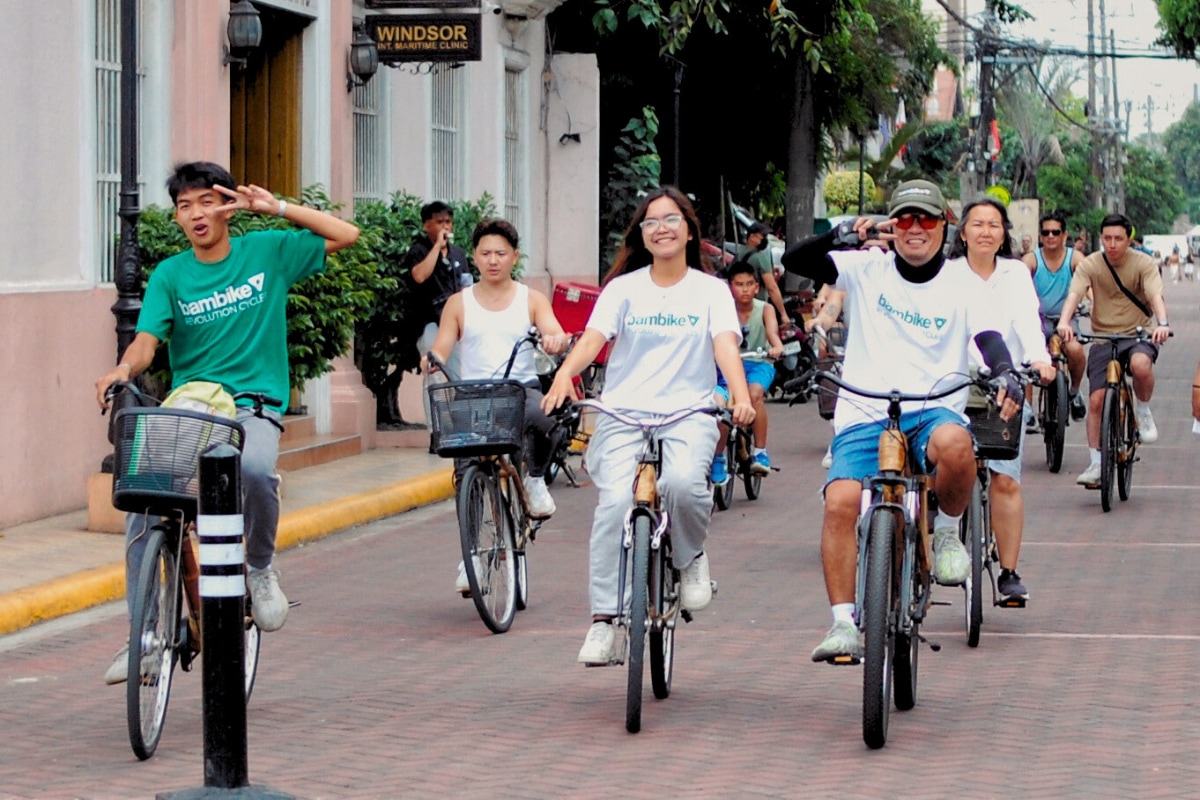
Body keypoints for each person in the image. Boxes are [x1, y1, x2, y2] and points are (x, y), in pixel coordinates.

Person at [94, 161, 360, 684]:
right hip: (194, 402)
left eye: (206, 201)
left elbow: (347, 234)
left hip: (253, 403)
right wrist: (124, 367)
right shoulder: (171, 274)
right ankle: (144, 639)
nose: (196, 214)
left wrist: (276, 208)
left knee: (257, 472)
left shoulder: (268, 253)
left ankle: (259, 570)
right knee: (142, 501)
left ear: (227, 206)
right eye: (184, 206)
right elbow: (147, 341)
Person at [780, 179, 1021, 662]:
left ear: (944, 226)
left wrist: (1006, 373)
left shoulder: (960, 282)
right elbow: (795, 262)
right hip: (867, 410)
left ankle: (948, 530)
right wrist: (839, 234)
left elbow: (989, 336)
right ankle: (844, 623)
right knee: (840, 502)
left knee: (957, 446)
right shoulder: (866, 267)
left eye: (926, 219)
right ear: (891, 226)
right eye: (905, 219)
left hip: (932, 408)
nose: (915, 229)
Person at [540, 186, 755, 665]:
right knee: (614, 504)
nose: (662, 228)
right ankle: (603, 621)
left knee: (681, 485)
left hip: (688, 413)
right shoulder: (623, 289)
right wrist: (563, 374)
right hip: (623, 414)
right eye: (652, 221)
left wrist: (740, 398)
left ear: (688, 229)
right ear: (642, 233)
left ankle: (690, 555)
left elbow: (724, 346)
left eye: (671, 219)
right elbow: (593, 338)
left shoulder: (711, 291)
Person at [424, 218, 568, 529]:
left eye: (501, 254)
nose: (493, 260)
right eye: (486, 253)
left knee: (548, 420)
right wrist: (433, 359)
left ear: (514, 257)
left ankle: (536, 479)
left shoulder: (531, 299)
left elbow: (555, 334)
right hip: (474, 395)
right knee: (466, 472)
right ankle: (471, 556)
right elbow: (442, 347)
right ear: (474, 257)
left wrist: (555, 340)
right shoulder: (458, 303)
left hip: (520, 390)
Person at [948, 198, 1054, 604]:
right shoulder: (947, 273)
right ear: (963, 232)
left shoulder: (1014, 273)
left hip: (1004, 387)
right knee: (939, 473)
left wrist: (1040, 360)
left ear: (1003, 232)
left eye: (994, 225)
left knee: (1005, 478)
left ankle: (1008, 572)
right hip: (951, 386)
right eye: (978, 224)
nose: (986, 232)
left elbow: (1027, 320)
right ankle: (936, 547)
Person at [1056, 213, 1171, 487]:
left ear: (1129, 239)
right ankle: (1096, 463)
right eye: (1107, 238)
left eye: (1118, 238)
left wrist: (1163, 323)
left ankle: (1142, 410)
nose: (1112, 244)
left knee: (1142, 365)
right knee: (1096, 400)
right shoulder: (1092, 264)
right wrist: (1064, 322)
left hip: (1138, 334)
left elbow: (1155, 295)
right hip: (1103, 337)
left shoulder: (1143, 263)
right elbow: (1074, 294)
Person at [711, 260, 785, 484]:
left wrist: (776, 347)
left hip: (758, 363)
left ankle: (760, 451)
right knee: (720, 407)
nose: (744, 289)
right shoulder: (722, 309)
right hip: (727, 364)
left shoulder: (766, 309)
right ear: (730, 287)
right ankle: (718, 457)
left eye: (749, 284)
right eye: (739, 284)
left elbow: (773, 334)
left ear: (756, 287)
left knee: (754, 395)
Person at [403, 201, 473, 426]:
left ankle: (460, 427)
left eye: (449, 222)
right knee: (433, 375)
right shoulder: (418, 251)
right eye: (440, 222)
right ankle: (436, 431)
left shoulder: (459, 254)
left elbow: (467, 285)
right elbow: (419, 276)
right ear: (427, 225)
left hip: (455, 324)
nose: (446, 227)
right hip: (429, 323)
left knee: (458, 375)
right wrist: (436, 248)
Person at [1023, 210, 1087, 421]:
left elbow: (1089, 282)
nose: (1050, 236)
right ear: (1040, 236)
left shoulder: (1075, 258)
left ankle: (1075, 392)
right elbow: (1017, 283)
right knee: (1027, 357)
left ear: (1064, 235)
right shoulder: (1031, 260)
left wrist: (1093, 303)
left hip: (1066, 320)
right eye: (1046, 232)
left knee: (1075, 349)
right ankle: (1027, 408)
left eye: (1055, 232)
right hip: (1037, 320)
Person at [738, 221, 792, 328]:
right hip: (757, 310)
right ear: (752, 237)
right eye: (762, 237)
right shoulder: (760, 258)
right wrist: (783, 314)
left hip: (740, 308)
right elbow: (772, 288)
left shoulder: (738, 254)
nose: (765, 240)